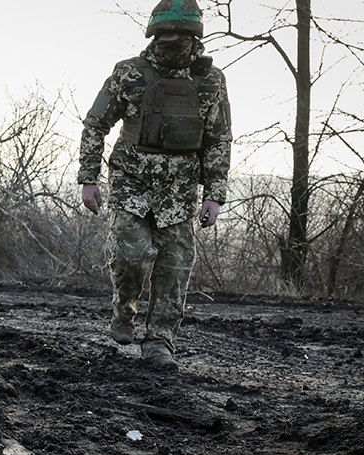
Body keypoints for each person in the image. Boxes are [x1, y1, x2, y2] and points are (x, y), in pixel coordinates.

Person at [77, 0, 231, 369]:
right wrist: (88, 178)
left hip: (179, 192)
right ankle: (123, 312)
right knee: (131, 258)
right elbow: (95, 124)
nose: (169, 39)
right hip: (131, 183)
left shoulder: (211, 81)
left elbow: (218, 139)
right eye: (163, 33)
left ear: (193, 35)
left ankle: (160, 342)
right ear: (153, 33)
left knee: (175, 269)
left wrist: (214, 195)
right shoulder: (128, 73)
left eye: (177, 33)